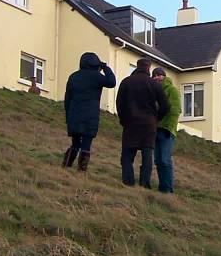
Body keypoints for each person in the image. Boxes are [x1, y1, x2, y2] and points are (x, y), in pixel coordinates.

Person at [115, 58, 170, 188]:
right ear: (148, 68)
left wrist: (123, 119)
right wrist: (156, 118)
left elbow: (119, 103)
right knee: (147, 155)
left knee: (127, 156)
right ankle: (145, 183)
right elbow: (166, 106)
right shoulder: (154, 84)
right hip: (149, 124)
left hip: (130, 123)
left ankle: (128, 182)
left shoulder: (126, 82)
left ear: (137, 67)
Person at [63, 52, 116, 171]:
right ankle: (81, 170)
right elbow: (112, 82)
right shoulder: (97, 77)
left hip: (74, 114)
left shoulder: (74, 76)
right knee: (86, 144)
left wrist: (67, 115)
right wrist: (105, 67)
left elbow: (68, 98)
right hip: (90, 116)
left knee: (75, 143)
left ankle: (66, 166)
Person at [152, 67, 181, 193]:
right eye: (154, 76)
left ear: (164, 76)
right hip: (155, 129)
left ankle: (168, 189)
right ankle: (162, 188)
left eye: (159, 75)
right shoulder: (153, 92)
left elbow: (176, 110)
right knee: (158, 160)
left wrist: (169, 127)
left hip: (167, 130)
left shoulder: (172, 90)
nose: (156, 78)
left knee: (165, 159)